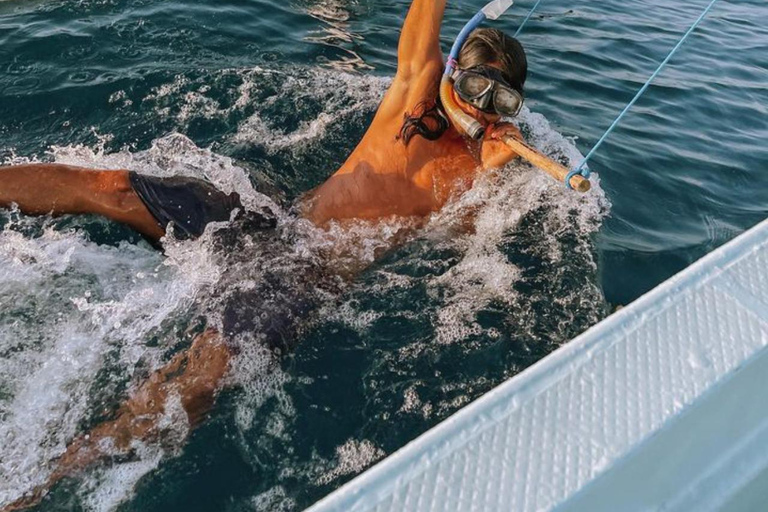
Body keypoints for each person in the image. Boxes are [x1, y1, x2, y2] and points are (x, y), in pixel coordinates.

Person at [0, 0, 540, 509]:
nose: (481, 106)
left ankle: (41, 484)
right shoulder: (415, 90)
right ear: (451, 73)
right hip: (271, 221)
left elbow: (464, 250)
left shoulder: (479, 171)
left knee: (197, 380)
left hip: (305, 276)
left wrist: (489, 173)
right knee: (115, 186)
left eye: (501, 101)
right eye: (474, 86)